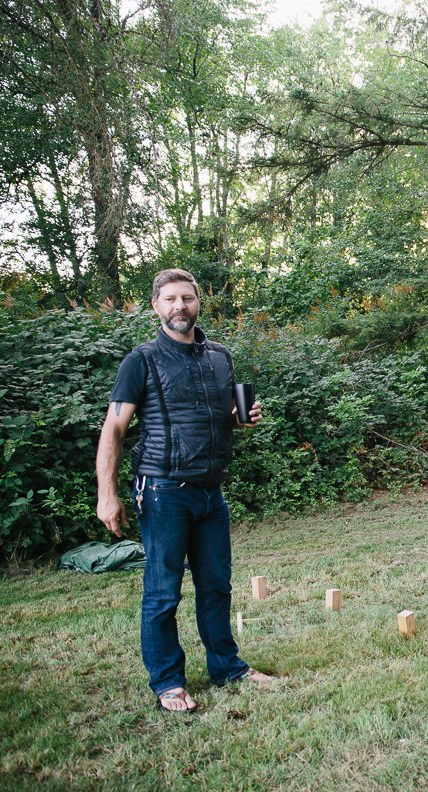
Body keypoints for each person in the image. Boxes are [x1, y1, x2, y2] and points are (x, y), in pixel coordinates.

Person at [96, 268, 273, 712]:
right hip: (161, 490)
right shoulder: (142, 360)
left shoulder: (219, 356)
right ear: (156, 306)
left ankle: (228, 667)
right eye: (171, 299)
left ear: (199, 302)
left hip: (211, 493)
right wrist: (107, 493)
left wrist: (242, 416)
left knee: (217, 585)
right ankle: (168, 682)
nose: (180, 306)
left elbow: (222, 414)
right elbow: (114, 429)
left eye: (188, 298)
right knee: (162, 592)